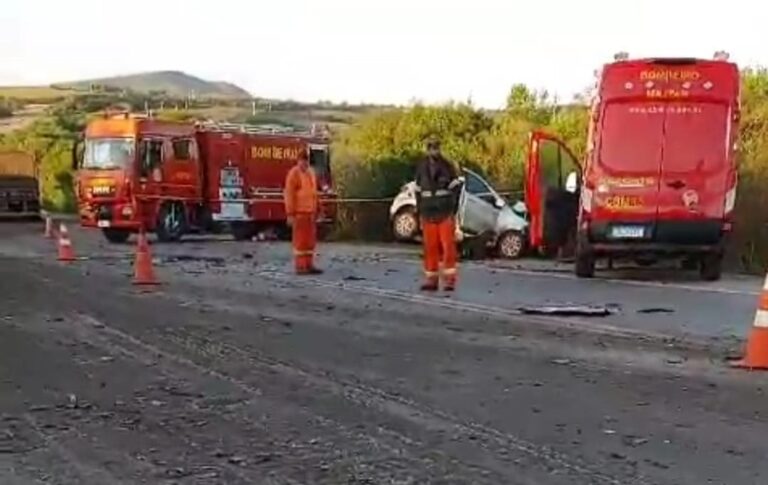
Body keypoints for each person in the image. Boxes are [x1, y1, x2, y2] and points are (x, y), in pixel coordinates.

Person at [414, 138, 462, 291]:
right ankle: (431, 280)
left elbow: (456, 189)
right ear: (427, 149)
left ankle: (449, 280)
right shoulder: (421, 167)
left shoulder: (448, 166)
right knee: (430, 247)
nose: (433, 151)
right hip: (428, 213)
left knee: (448, 247)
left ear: (439, 149)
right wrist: (419, 211)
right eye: (430, 148)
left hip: (444, 212)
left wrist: (452, 209)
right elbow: (417, 191)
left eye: (435, 148)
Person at [284, 150, 323, 275]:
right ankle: (301, 266)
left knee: (310, 242)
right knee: (300, 242)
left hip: (310, 213)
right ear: (298, 161)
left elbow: (314, 194)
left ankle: (308, 265)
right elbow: (289, 195)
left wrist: (319, 209)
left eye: (306, 161)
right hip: (299, 213)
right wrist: (290, 214)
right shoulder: (294, 174)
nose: (304, 163)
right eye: (302, 161)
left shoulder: (311, 173)